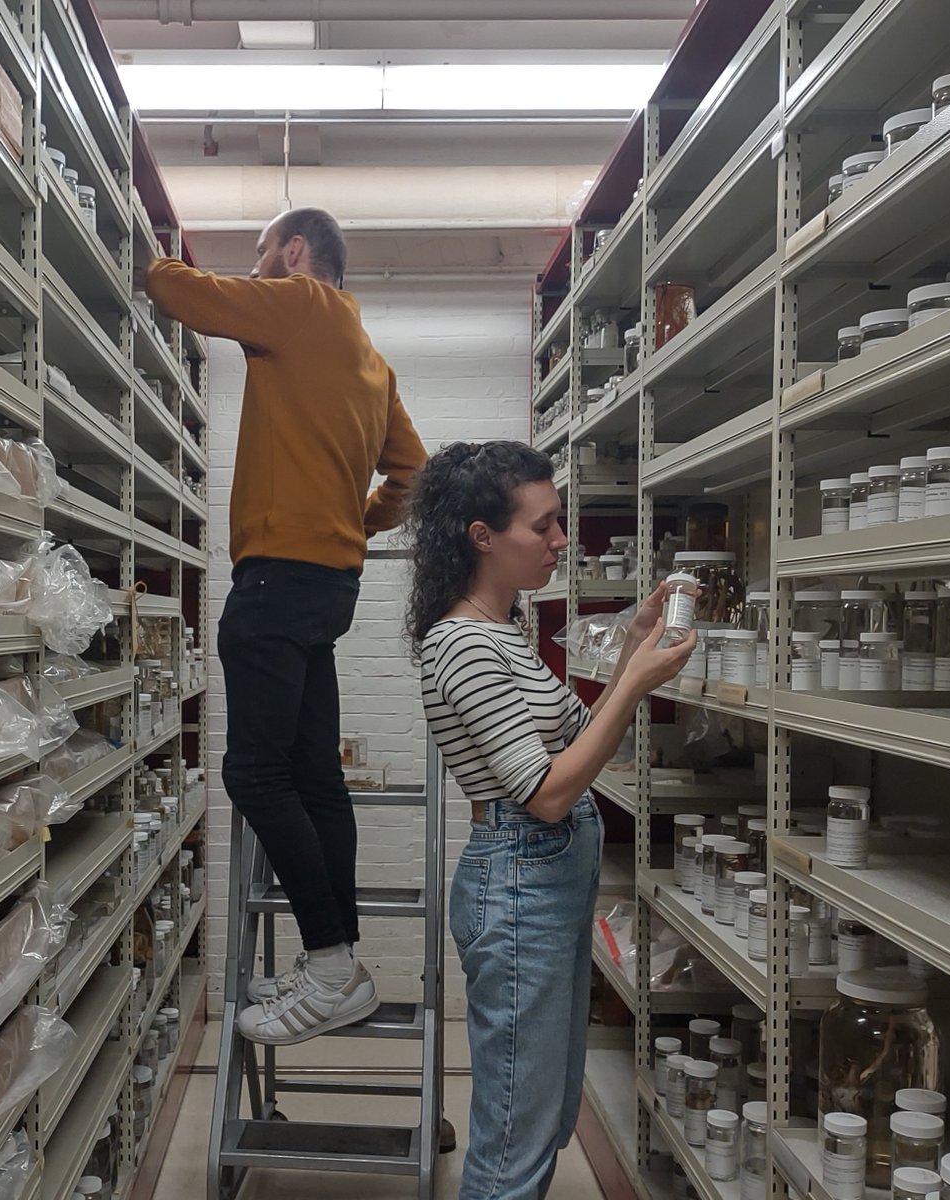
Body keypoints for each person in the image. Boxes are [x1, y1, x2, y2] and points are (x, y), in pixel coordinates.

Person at [146, 208, 427, 1046]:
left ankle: (333, 962)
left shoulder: (300, 302)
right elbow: (411, 473)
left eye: (262, 250)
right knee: (314, 777)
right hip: (327, 587)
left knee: (254, 776)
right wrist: (354, 522)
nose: (258, 266)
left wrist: (146, 256)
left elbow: (185, 293)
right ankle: (337, 964)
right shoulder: (372, 365)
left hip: (273, 582)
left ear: (297, 253)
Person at [405, 441, 696, 1200]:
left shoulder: (505, 634)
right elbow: (549, 792)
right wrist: (633, 686)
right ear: (482, 537)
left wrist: (630, 649)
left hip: (545, 881)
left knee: (543, 1111)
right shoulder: (462, 643)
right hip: (519, 886)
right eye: (544, 526)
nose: (562, 541)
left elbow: (572, 739)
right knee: (514, 1138)